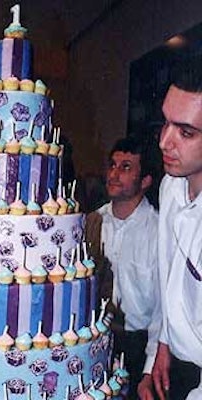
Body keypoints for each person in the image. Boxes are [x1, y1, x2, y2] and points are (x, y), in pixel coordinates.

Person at [86, 136, 162, 399]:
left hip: (136, 347)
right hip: (93, 340)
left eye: (126, 167)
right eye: (113, 165)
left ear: (145, 181)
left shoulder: (158, 232)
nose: (114, 174)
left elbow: (163, 311)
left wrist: (149, 371)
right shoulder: (92, 223)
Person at [150, 55, 202, 400]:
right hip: (179, 360)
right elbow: (167, 269)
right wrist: (162, 344)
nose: (164, 142)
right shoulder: (171, 186)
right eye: (165, 123)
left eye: (186, 132)